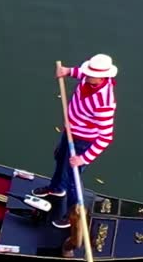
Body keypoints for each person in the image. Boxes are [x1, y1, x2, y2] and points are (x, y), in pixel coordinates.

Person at [31, 54, 117, 228]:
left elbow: (106, 137)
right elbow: (81, 73)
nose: (86, 74)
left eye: (90, 72)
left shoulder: (104, 103)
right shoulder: (89, 78)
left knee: (73, 179)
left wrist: (83, 158)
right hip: (70, 132)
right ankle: (56, 189)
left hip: (83, 142)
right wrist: (67, 71)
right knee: (60, 158)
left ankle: (73, 214)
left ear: (102, 76)